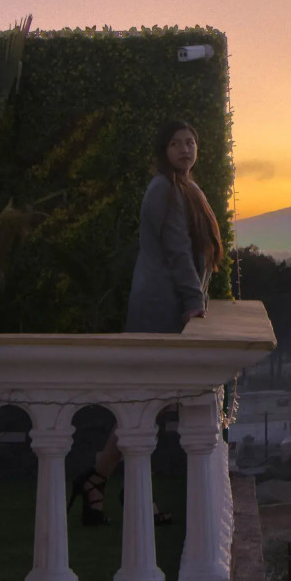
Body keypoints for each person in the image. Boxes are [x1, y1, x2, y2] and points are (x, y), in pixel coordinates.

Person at [69, 120, 225, 526]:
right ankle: (131, 495)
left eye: (191, 141)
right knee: (145, 407)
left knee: (146, 408)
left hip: (170, 309)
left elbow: (197, 256)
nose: (185, 149)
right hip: (160, 312)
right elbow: (176, 250)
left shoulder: (189, 190)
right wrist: (194, 302)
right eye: (176, 143)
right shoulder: (164, 189)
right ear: (164, 150)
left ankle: (96, 481)